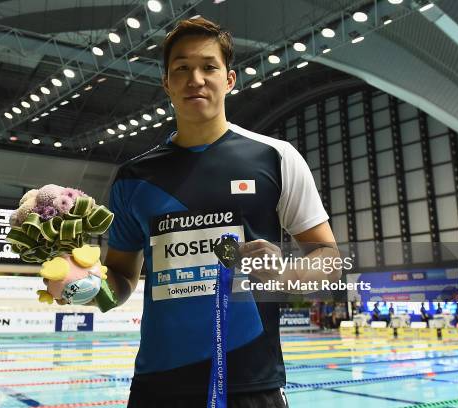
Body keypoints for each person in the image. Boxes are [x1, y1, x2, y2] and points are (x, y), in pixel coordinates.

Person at [101, 17, 339, 408]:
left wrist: (287, 274)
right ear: (166, 82)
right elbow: (121, 278)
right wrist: (86, 287)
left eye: (208, 67)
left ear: (229, 79)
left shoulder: (276, 157)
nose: (195, 78)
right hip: (158, 386)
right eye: (181, 68)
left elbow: (328, 258)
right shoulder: (134, 177)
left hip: (251, 384)